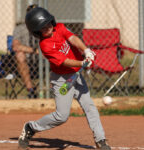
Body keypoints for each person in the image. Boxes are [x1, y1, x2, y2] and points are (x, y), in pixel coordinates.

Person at [18, 7, 111, 150]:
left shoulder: (59, 27)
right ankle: (31, 127)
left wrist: (85, 50)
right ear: (37, 31)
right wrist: (82, 63)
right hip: (62, 80)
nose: (48, 27)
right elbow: (64, 61)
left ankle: (101, 141)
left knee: (89, 106)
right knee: (62, 116)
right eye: (43, 27)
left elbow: (73, 38)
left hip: (76, 75)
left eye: (48, 23)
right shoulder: (45, 45)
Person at [12, 4, 38, 99]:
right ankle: (30, 90)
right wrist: (35, 50)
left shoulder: (45, 28)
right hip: (26, 62)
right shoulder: (20, 29)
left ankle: (53, 90)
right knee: (19, 55)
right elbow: (16, 47)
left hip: (43, 61)